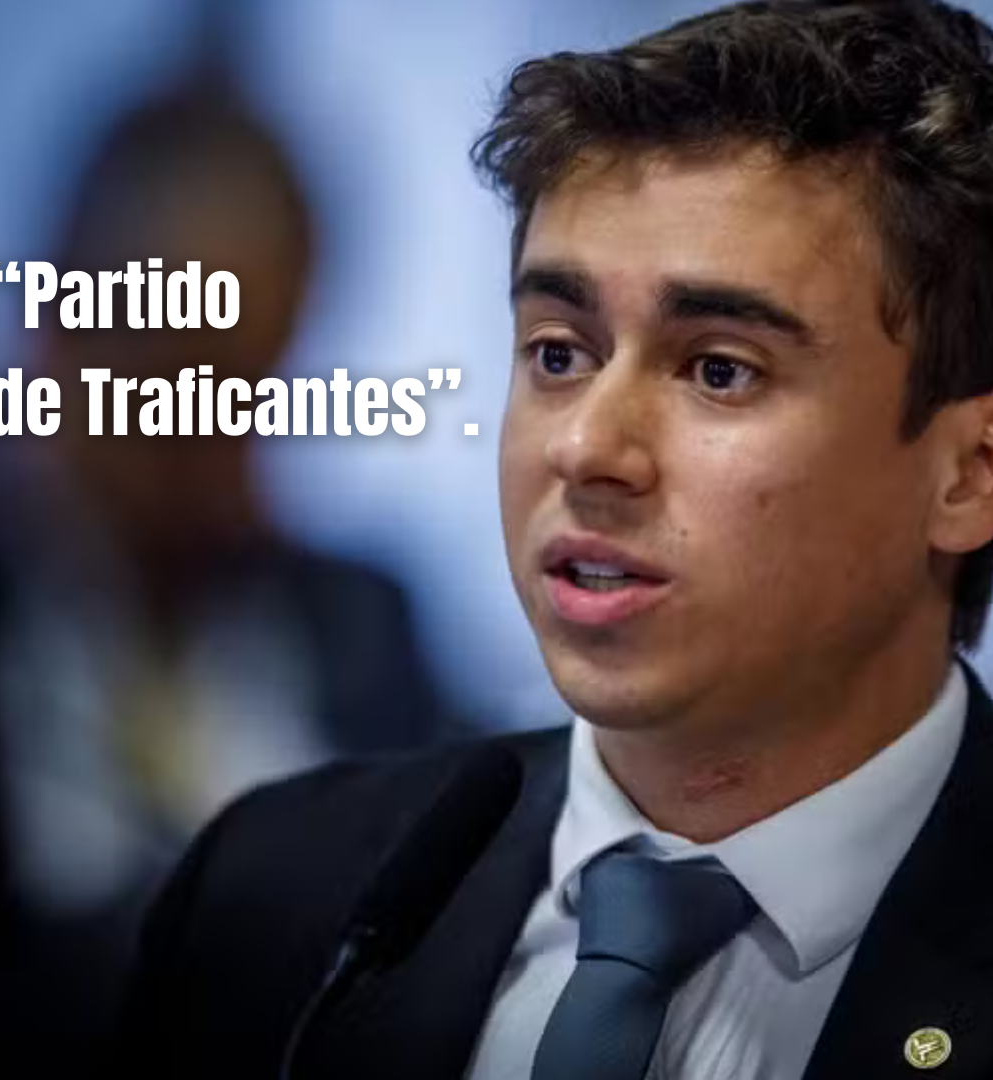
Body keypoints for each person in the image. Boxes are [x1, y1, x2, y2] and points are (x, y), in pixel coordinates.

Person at [120, 1, 993, 1076]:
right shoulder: (270, 902)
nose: (586, 448)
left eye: (720, 369)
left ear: (970, 473)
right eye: (559, 353)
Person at [0, 88, 454, 1076]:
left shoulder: (359, 620)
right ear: (54, 315)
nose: (222, 461)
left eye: (256, 393)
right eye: (181, 381)